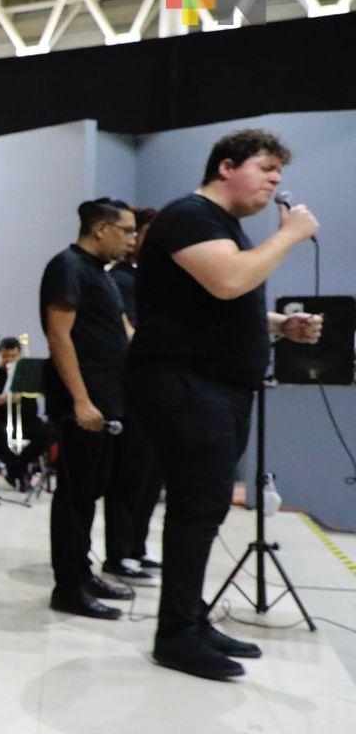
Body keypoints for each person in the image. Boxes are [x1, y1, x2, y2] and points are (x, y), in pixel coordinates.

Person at [127, 129, 322, 680]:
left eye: (279, 173)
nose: (274, 181)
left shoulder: (220, 225)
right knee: (197, 506)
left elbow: (211, 302)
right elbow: (230, 280)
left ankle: (190, 619)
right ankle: (175, 636)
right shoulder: (189, 216)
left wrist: (278, 324)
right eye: (265, 168)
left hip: (216, 385)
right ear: (227, 167)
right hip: (185, 383)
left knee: (207, 506)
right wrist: (289, 235)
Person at [40, 198, 140, 619]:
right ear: (101, 229)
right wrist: (81, 400)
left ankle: (82, 573)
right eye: (127, 230)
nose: (132, 239)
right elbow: (59, 336)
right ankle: (68, 587)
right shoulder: (67, 267)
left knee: (89, 494)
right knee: (74, 496)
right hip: (82, 404)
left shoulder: (101, 274)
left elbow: (123, 333)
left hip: (108, 400)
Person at [103, 208, 163, 581]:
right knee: (130, 475)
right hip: (131, 390)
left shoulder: (152, 278)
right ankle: (119, 552)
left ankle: (137, 546)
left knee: (151, 476)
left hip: (157, 389)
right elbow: (126, 332)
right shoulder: (119, 280)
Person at [0, 336, 54, 487]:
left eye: (13, 356)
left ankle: (18, 467)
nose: (9, 360)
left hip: (27, 421)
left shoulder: (27, 373)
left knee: (48, 432)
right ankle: (17, 469)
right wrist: (5, 398)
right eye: (5, 356)